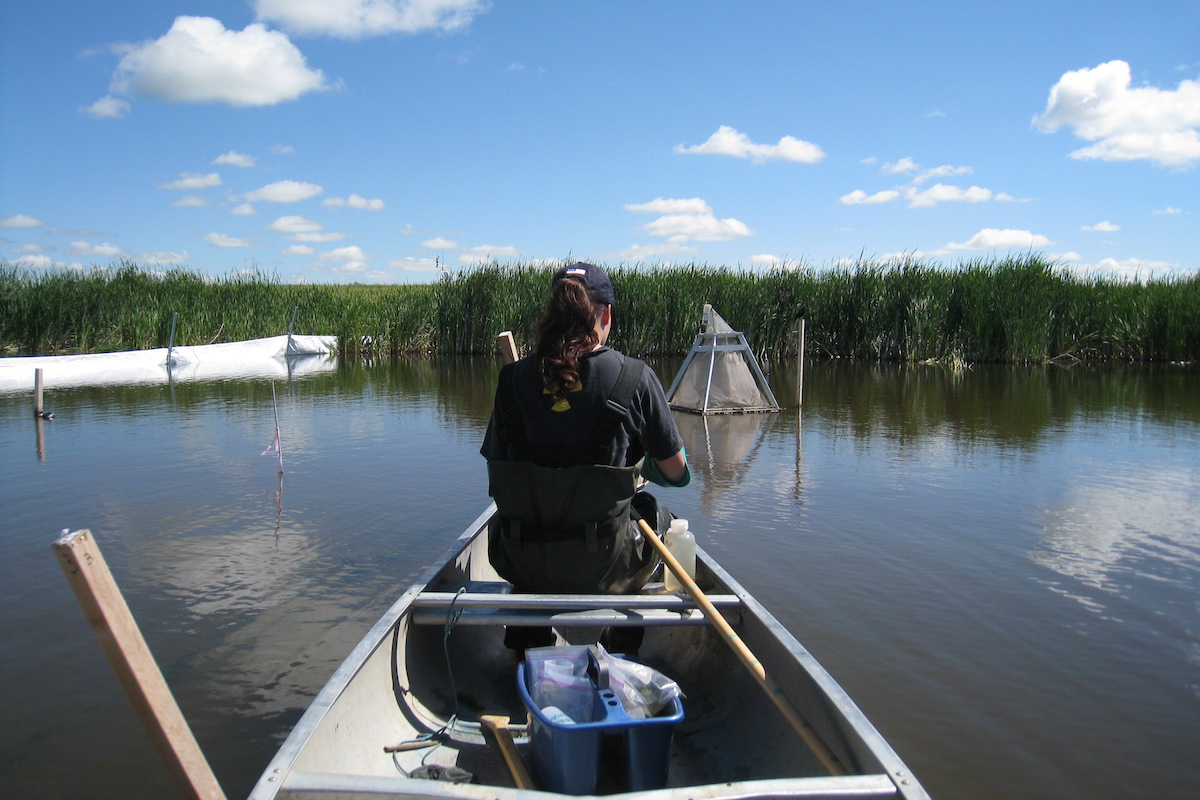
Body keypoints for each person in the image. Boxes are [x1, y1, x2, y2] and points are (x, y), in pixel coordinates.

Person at [480, 262, 690, 651]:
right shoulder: (635, 377)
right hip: (604, 565)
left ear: (553, 311)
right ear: (606, 314)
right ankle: (623, 645)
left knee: (522, 519)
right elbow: (677, 474)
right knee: (658, 515)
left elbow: (498, 467)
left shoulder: (512, 381)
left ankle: (527, 645)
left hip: (523, 561)